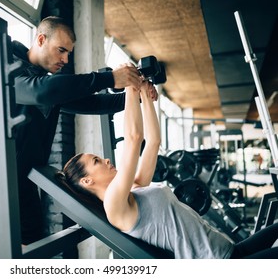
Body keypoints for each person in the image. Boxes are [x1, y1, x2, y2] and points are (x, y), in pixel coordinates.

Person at [0, 16, 143, 259]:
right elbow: (42, 92)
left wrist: (138, 92)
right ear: (40, 39)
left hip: (24, 181)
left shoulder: (42, 81)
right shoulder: (7, 70)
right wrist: (109, 78)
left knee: (32, 254)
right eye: (61, 50)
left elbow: (93, 102)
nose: (65, 59)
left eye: (69, 53)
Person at [61, 81, 278, 259]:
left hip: (230, 250)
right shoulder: (114, 206)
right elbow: (134, 139)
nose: (107, 159)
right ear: (86, 181)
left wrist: (144, 95)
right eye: (97, 161)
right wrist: (130, 86)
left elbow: (153, 142)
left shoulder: (134, 188)